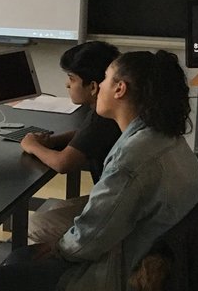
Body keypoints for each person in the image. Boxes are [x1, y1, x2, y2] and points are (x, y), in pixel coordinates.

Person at [0, 51, 198, 291]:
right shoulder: (161, 136)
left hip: (124, 282)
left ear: (120, 90)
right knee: (20, 261)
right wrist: (62, 249)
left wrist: (61, 250)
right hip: (148, 267)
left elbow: (92, 235)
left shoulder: (133, 156)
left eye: (107, 80)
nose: (100, 88)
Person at [20, 40, 122, 244]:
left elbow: (64, 164)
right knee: (55, 207)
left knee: (35, 225)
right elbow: (87, 135)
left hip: (115, 211)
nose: (67, 84)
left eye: (71, 78)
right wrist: (54, 140)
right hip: (117, 200)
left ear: (93, 86)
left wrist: (33, 145)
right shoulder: (115, 109)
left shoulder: (102, 117)